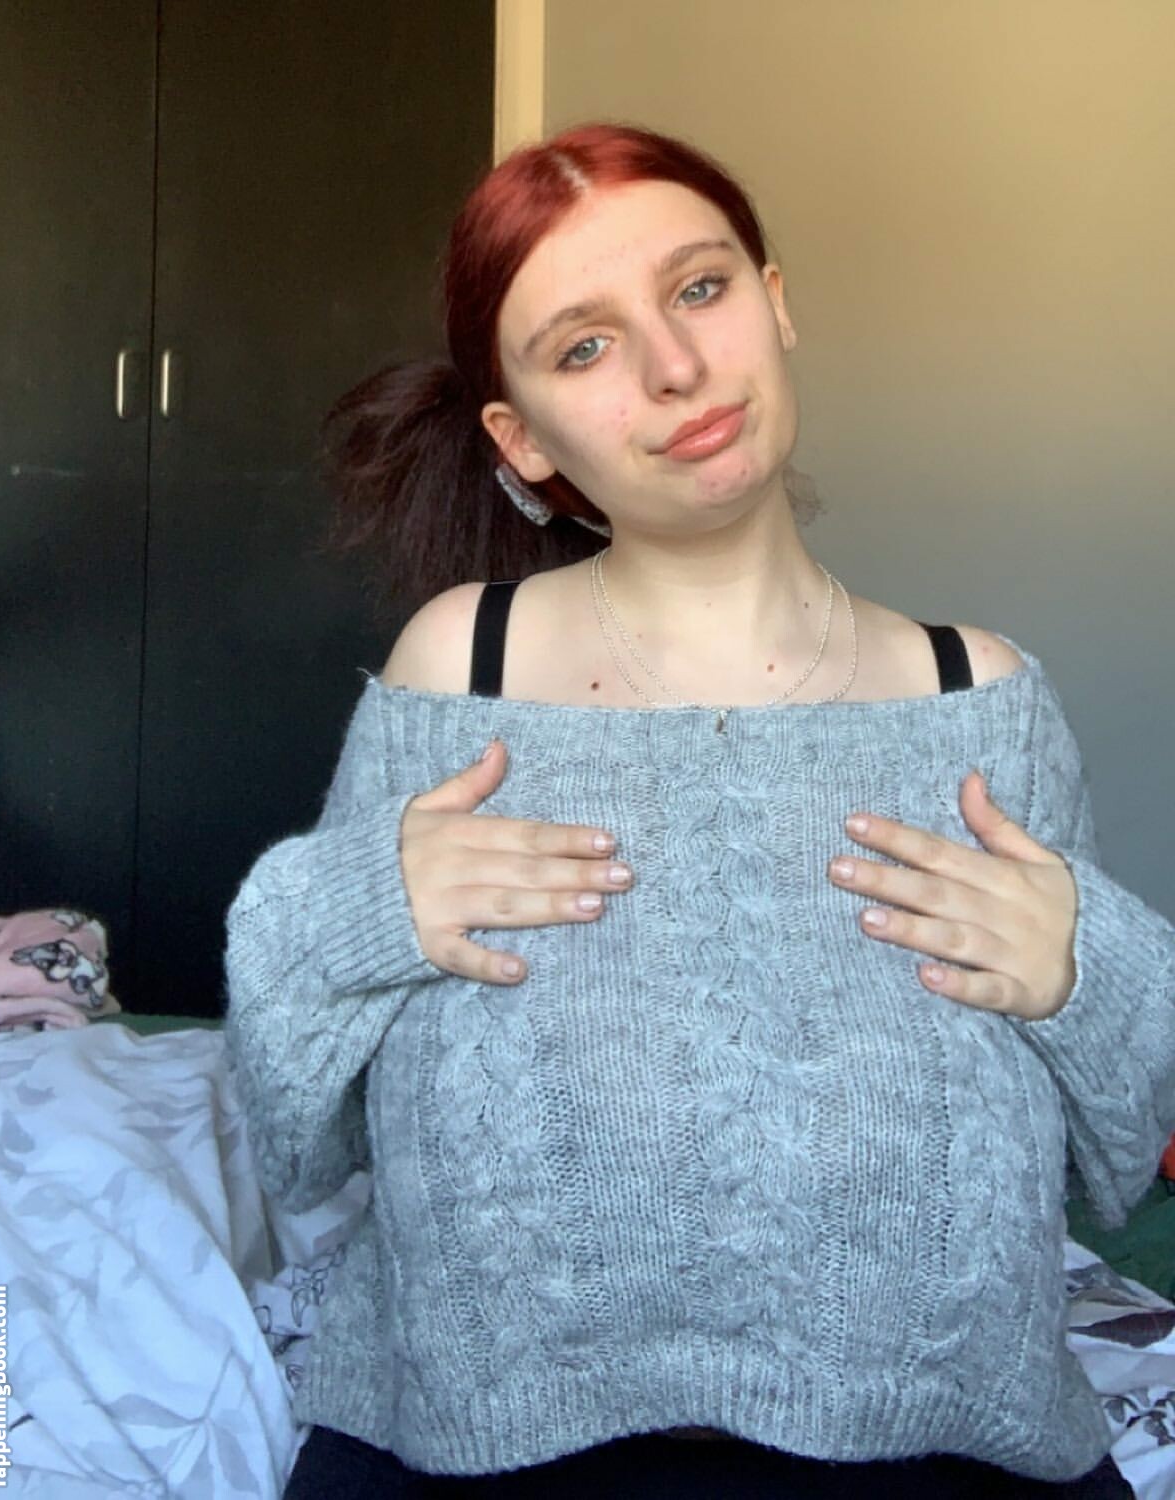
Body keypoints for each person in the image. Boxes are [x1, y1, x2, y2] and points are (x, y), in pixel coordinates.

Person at [223, 122, 1172, 1498]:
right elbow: (293, 1117)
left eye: (701, 288)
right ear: (521, 439)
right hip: (488, 1437)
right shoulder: (458, 671)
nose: (674, 366)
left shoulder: (984, 696)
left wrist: (1081, 971)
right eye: (584, 348)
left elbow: (1119, 1143)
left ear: (775, 306)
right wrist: (364, 907)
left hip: (935, 1441)